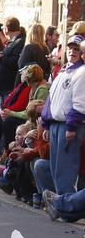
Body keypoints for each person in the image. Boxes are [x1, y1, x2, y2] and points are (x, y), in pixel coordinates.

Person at [39, 33, 85, 195]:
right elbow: (51, 99)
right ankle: (60, 201)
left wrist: (72, 127)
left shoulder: (81, 72)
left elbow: (80, 103)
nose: (72, 52)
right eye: (70, 48)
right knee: (56, 167)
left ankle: (66, 204)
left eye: (76, 49)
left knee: (65, 168)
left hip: (68, 125)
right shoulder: (63, 71)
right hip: (55, 124)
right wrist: (46, 124)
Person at [0, 64, 49, 159]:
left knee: (9, 122)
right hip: (29, 117)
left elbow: (32, 111)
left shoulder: (42, 89)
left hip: (33, 120)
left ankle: (9, 152)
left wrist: (10, 113)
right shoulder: (33, 89)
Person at [0, 17, 25, 104]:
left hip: (9, 87)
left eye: (3, 28)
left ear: (7, 28)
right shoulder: (13, 41)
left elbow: (16, 61)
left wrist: (1, 58)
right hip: (4, 87)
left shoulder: (19, 42)